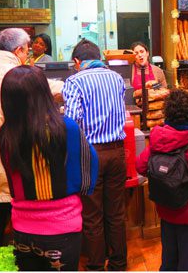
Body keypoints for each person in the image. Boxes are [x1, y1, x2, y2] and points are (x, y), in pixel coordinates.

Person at [0, 65, 98, 271]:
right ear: (44, 94)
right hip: (63, 227)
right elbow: (88, 164)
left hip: (23, 228)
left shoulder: (7, 136)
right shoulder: (66, 127)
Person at [0, 28, 64, 253]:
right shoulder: (21, 75)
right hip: (16, 171)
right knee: (25, 244)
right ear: (19, 50)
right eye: (26, 51)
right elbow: (63, 91)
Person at [62, 39, 127, 271]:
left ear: (78, 61)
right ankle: (119, 263)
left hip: (91, 154)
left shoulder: (73, 81)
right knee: (116, 212)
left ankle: (96, 265)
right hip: (118, 151)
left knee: (92, 214)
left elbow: (72, 123)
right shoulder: (117, 77)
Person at [136, 89, 188, 271]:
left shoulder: (158, 139)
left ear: (167, 112)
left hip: (164, 206)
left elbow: (140, 166)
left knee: (169, 253)